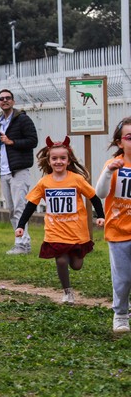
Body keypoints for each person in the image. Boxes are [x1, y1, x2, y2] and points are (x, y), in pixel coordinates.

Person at [15, 136, 104, 304]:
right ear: (48, 161)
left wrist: (101, 216)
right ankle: (67, 292)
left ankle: (72, 256)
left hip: (76, 230)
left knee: (76, 265)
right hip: (55, 230)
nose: (58, 162)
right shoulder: (44, 182)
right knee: (62, 260)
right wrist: (21, 225)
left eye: (62, 158)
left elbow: (94, 197)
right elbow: (31, 205)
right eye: (54, 158)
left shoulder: (77, 180)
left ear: (68, 160)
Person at [0, 89, 38, 255]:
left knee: (20, 208)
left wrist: (11, 141)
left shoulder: (22, 119)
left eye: (8, 98)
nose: (5, 101)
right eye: (1, 99)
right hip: (4, 171)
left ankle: (23, 244)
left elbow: (33, 141)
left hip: (19, 170)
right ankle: (20, 242)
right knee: (11, 209)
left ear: (13, 101)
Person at [95, 117, 131, 333]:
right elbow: (100, 193)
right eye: (129, 137)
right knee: (124, 278)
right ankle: (120, 315)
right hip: (118, 232)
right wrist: (109, 171)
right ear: (120, 142)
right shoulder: (113, 165)